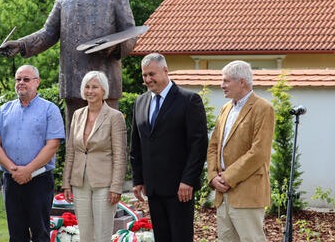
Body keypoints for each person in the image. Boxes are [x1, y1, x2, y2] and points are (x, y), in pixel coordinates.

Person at [0, 0, 136, 136]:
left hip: (106, 82)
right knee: (76, 144)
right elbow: (49, 32)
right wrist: (21, 44)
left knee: (107, 143)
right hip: (73, 82)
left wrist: (114, 47)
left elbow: (131, 34)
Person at [130, 53, 208, 241]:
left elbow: (198, 145)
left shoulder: (189, 100)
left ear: (165, 71)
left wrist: (188, 180)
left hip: (180, 188)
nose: (148, 79)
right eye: (144, 75)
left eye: (152, 74)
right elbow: (136, 144)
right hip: (153, 188)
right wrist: (138, 179)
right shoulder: (140, 102)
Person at [0, 65, 65, 242]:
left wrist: (28, 170)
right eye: (18, 79)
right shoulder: (3, 110)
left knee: (41, 233)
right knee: (16, 235)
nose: (21, 83)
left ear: (37, 82)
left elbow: (52, 145)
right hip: (11, 181)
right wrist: (14, 170)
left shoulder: (50, 110)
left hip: (39, 181)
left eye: (26, 79)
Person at [207, 60, 275, 242]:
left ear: (242, 82)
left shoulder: (263, 108)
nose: (222, 85)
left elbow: (259, 152)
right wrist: (213, 176)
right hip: (222, 192)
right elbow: (214, 145)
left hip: (248, 192)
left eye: (226, 81)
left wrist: (228, 177)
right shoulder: (225, 108)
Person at [62, 71, 127, 241]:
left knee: (102, 235)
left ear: (103, 90)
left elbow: (120, 155)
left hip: (105, 185)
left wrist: (116, 187)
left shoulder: (115, 117)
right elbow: (71, 151)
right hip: (79, 182)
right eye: (87, 87)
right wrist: (66, 182)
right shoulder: (77, 115)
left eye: (95, 87)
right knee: (85, 235)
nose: (90, 91)